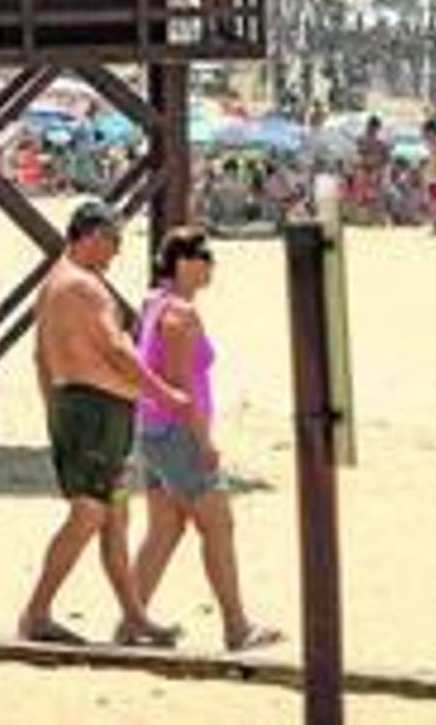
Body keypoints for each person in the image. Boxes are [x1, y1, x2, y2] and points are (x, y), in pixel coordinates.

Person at [17, 200, 188, 647]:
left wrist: (54, 408)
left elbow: (39, 356)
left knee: (114, 518)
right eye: (113, 242)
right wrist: (163, 394)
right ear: (93, 236)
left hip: (82, 408)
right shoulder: (84, 287)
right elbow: (116, 351)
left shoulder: (55, 283)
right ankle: (36, 613)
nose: (116, 254)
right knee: (90, 513)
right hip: (94, 412)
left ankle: (135, 617)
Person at [129, 227, 281, 652]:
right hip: (177, 431)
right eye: (204, 256)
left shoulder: (154, 302)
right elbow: (181, 386)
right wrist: (205, 441)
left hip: (152, 428)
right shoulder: (179, 314)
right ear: (183, 262)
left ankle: (132, 619)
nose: (211, 264)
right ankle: (236, 626)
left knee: (165, 528)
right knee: (217, 524)